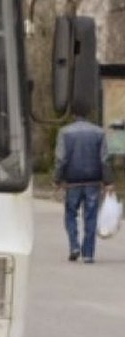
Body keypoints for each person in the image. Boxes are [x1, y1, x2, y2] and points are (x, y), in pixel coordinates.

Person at [53, 99, 114, 263]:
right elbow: (105, 159)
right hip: (93, 182)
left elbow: (61, 159)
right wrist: (108, 181)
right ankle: (88, 253)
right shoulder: (99, 133)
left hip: (72, 182)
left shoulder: (64, 133)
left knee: (71, 215)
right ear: (88, 114)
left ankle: (74, 245)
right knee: (91, 217)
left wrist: (57, 179)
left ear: (73, 114)